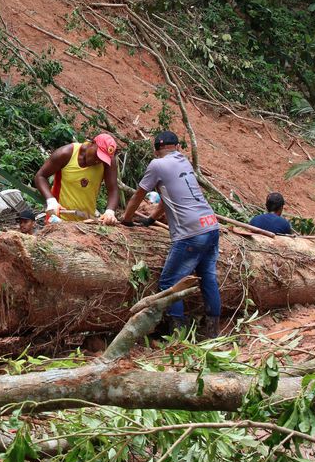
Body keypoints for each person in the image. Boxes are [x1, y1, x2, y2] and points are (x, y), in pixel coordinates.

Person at [121, 131, 221, 338]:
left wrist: (126, 220)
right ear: (176, 146)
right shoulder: (184, 162)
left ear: (157, 147)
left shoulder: (157, 164)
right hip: (211, 225)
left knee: (169, 282)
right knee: (208, 278)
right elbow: (170, 197)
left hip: (191, 232)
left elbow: (139, 195)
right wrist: (152, 219)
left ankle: (178, 335)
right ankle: (213, 332)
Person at [34, 133, 120, 224]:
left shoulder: (108, 163)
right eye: (97, 155)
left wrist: (110, 212)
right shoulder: (66, 154)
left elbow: (113, 189)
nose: (97, 161)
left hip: (86, 222)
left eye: (102, 159)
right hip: (58, 219)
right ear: (92, 143)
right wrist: (51, 201)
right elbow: (40, 176)